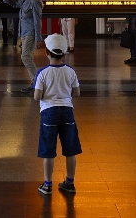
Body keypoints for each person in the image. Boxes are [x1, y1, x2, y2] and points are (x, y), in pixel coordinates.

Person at [33, 33, 82, 196]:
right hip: (67, 111)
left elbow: (37, 96)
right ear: (64, 53)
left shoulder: (43, 73)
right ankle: (69, 182)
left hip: (48, 112)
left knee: (48, 149)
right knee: (70, 148)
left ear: (47, 53)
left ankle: (47, 185)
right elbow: (77, 93)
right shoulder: (70, 71)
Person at [0, 0, 43, 92]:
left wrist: (38, 38)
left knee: (26, 57)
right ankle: (36, 83)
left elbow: (37, 20)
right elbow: (14, 4)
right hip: (24, 32)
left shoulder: (35, 1)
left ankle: (37, 83)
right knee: (27, 57)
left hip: (31, 33)